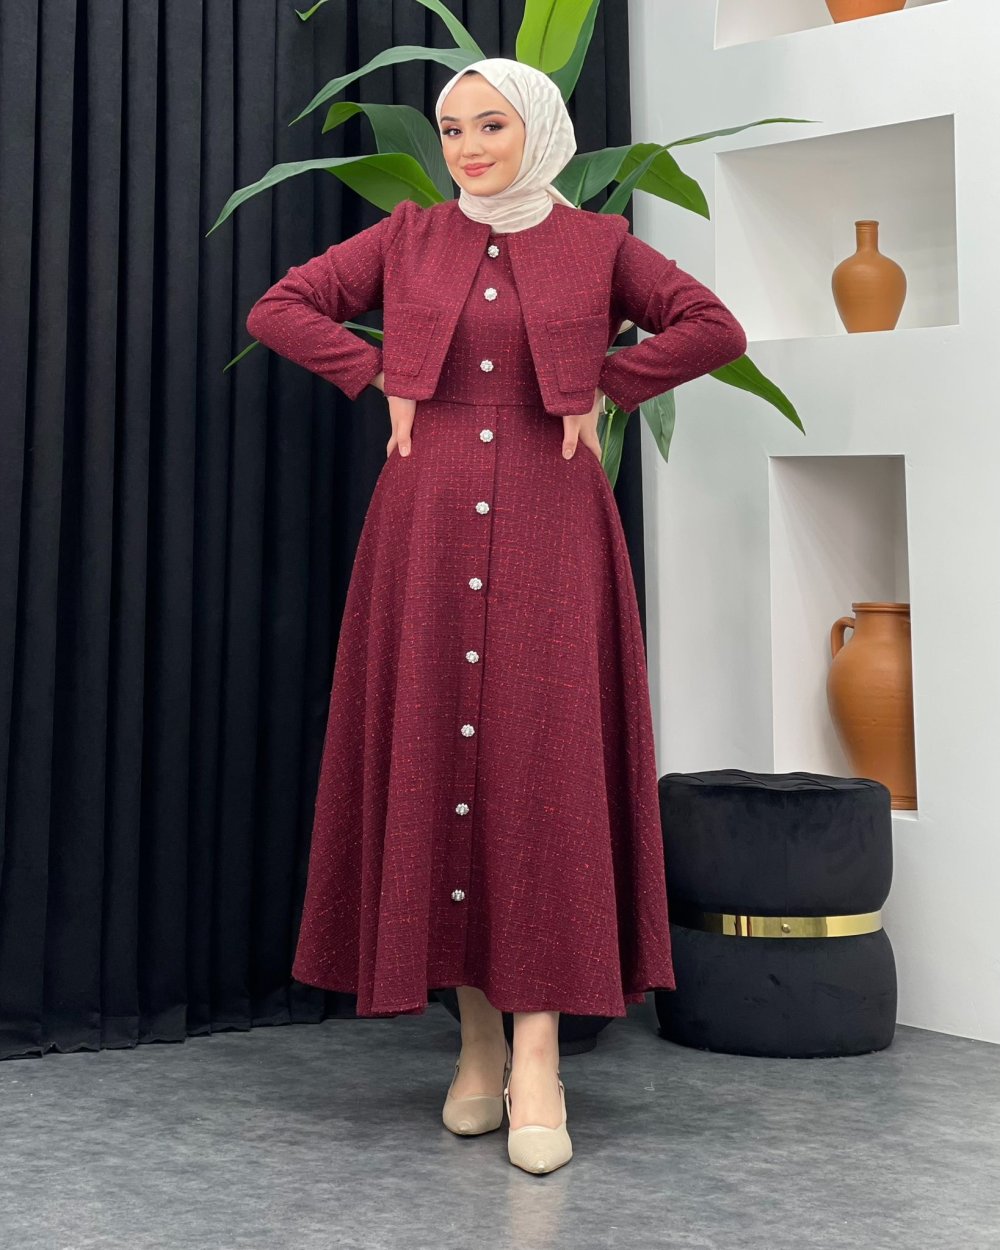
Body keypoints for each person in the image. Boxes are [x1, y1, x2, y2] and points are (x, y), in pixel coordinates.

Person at [245, 57, 747, 1175]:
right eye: (452, 128)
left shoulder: (598, 245)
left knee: (539, 773)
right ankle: (476, 1043)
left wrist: (603, 383)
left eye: (490, 126)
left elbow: (713, 326)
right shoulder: (410, 237)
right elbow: (279, 308)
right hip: (421, 526)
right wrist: (383, 370)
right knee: (441, 763)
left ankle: (538, 1060)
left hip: (551, 524)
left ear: (539, 131)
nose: (468, 148)